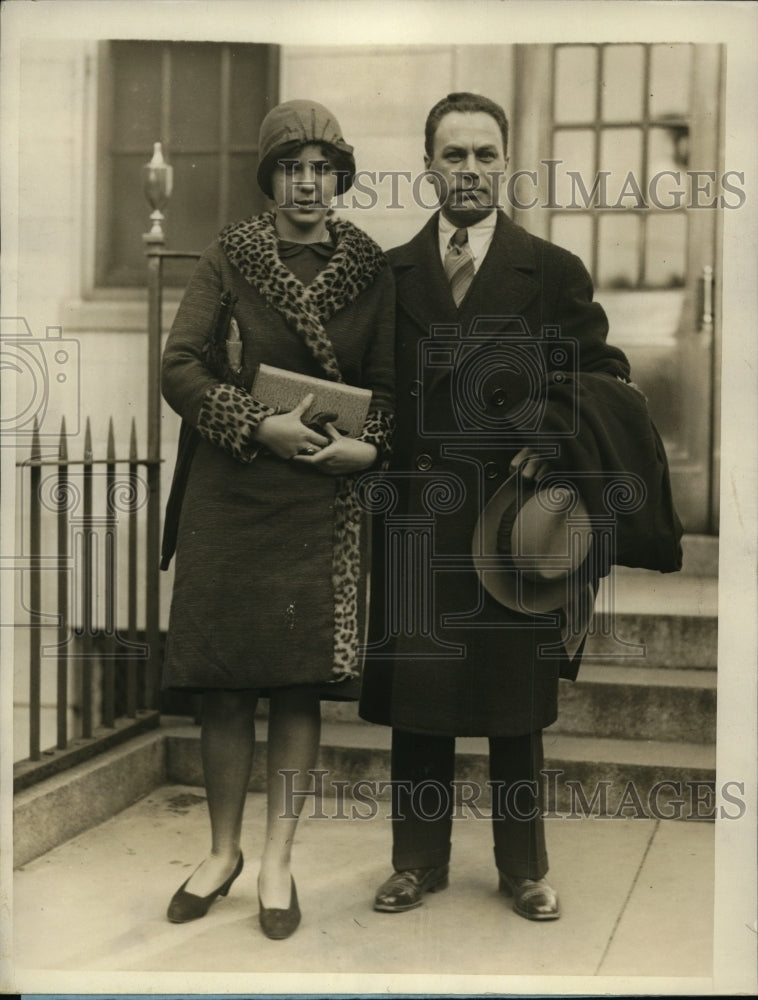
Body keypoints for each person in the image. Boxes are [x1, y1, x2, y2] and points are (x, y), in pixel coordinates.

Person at [359, 92, 633, 922]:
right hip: (415, 514)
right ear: (429, 166)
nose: (470, 171)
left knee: (514, 699)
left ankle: (523, 868)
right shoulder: (392, 272)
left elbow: (604, 377)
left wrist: (550, 439)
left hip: (513, 522)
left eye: (484, 155)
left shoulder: (548, 270)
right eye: (454, 155)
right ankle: (416, 861)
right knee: (421, 698)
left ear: (505, 164)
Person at [160, 99, 394, 939]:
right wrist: (259, 423)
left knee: (298, 688)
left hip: (317, 501)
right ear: (271, 179)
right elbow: (179, 365)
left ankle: (278, 860)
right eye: (291, 167)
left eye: (322, 168)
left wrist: (370, 452)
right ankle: (222, 854)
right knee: (225, 686)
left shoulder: (371, 269)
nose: (307, 183)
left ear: (340, 178)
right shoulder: (231, 255)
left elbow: (394, 395)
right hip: (231, 492)